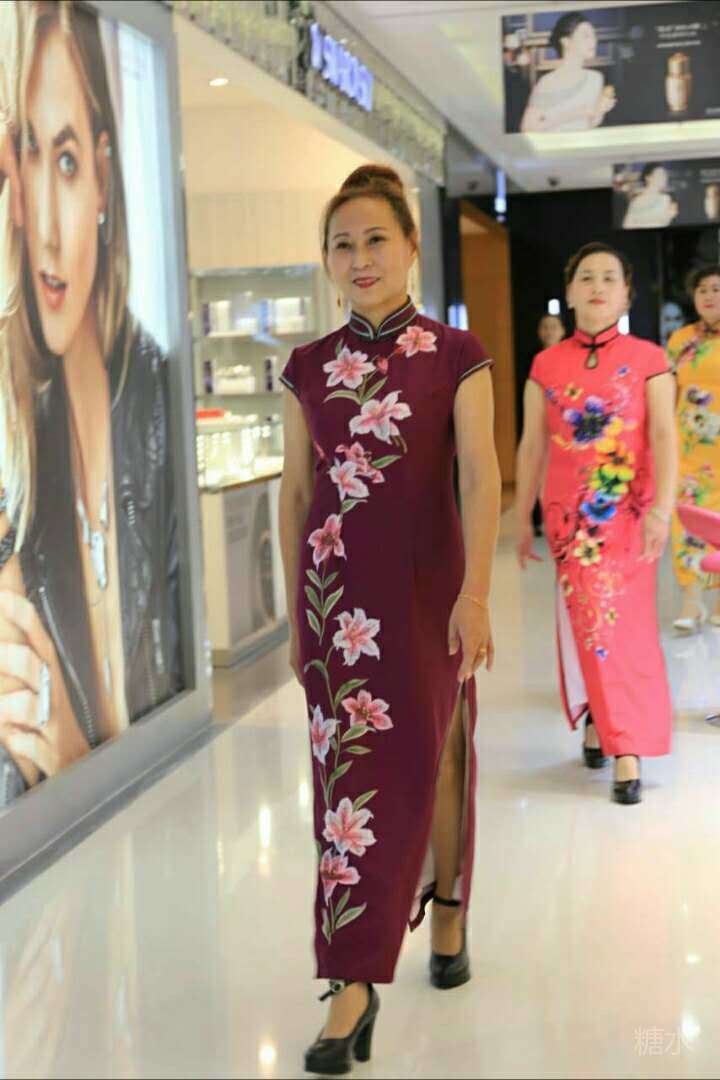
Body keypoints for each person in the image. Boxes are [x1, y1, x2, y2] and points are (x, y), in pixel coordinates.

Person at [279, 164, 501, 1074]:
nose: (360, 256)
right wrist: (295, 616)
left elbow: (481, 475)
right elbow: (296, 493)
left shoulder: (457, 353)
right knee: (346, 788)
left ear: (411, 246)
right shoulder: (306, 367)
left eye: (376, 238)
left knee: (437, 753)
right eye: (342, 243)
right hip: (336, 605)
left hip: (429, 592)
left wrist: (476, 594)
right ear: (326, 260)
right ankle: (353, 980)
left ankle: (447, 910)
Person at [0, 0, 180, 806]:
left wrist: (74, 753)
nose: (44, 225)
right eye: (29, 157)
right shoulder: (19, 455)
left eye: (68, 162)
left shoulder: (156, 402)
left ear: (105, 176)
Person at [515, 241, 677, 805]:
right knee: (590, 624)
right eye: (586, 277)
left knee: (626, 629)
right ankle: (608, 730)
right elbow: (532, 444)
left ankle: (617, 737)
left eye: (610, 277)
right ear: (570, 291)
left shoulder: (650, 358)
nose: (597, 286)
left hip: (630, 514)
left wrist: (662, 509)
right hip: (571, 521)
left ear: (627, 293)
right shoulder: (545, 365)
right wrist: (522, 515)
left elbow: (664, 436)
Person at [668, 265, 720, 632]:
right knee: (687, 523)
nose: (709, 295)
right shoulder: (680, 340)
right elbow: (668, 393)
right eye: (702, 289)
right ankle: (692, 600)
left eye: (717, 289)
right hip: (688, 452)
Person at [520, 11, 616, 133]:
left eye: (594, 36)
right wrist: (573, 114)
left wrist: (600, 111)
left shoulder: (595, 78)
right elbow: (527, 128)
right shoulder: (548, 82)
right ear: (566, 41)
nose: (593, 41)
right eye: (586, 36)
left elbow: (590, 123)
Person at [527, 314, 566, 535]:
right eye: (545, 327)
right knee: (536, 471)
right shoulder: (535, 360)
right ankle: (536, 520)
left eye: (554, 326)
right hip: (540, 424)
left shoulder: (571, 357)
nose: (550, 331)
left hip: (565, 424)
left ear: (562, 330)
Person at [622, 165, 679, 230]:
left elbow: (667, 220)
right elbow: (627, 225)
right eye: (660, 175)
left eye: (665, 175)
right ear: (648, 177)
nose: (664, 178)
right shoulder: (636, 201)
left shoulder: (667, 199)